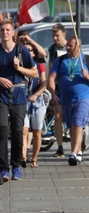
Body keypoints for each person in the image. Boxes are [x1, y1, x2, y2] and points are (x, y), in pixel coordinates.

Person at [0, 19, 38, 181]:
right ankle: (3, 168)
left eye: (8, 30)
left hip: (19, 96)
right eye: (2, 30)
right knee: (1, 130)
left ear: (13, 33)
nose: (5, 33)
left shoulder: (22, 51)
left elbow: (34, 73)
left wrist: (19, 68)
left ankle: (16, 165)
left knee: (17, 131)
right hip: (0, 96)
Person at [48, 35, 89, 165]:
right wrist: (53, 93)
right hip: (66, 99)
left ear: (78, 46)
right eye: (68, 45)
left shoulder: (86, 60)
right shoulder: (61, 60)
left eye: (71, 45)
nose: (68, 48)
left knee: (78, 124)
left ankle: (73, 153)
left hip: (83, 98)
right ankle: (76, 152)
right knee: (72, 126)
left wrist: (87, 76)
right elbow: (51, 77)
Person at [17, 35, 48, 168]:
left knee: (37, 131)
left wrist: (36, 94)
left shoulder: (38, 64)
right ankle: (23, 156)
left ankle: (34, 159)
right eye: (25, 50)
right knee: (24, 130)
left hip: (37, 101)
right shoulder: (19, 63)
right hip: (23, 100)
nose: (28, 52)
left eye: (30, 50)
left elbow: (44, 83)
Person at [47, 23, 68, 158]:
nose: (55, 38)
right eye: (53, 35)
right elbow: (50, 68)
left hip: (70, 86)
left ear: (64, 34)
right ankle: (60, 147)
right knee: (58, 115)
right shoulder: (52, 49)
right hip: (58, 86)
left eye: (57, 35)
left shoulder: (71, 47)